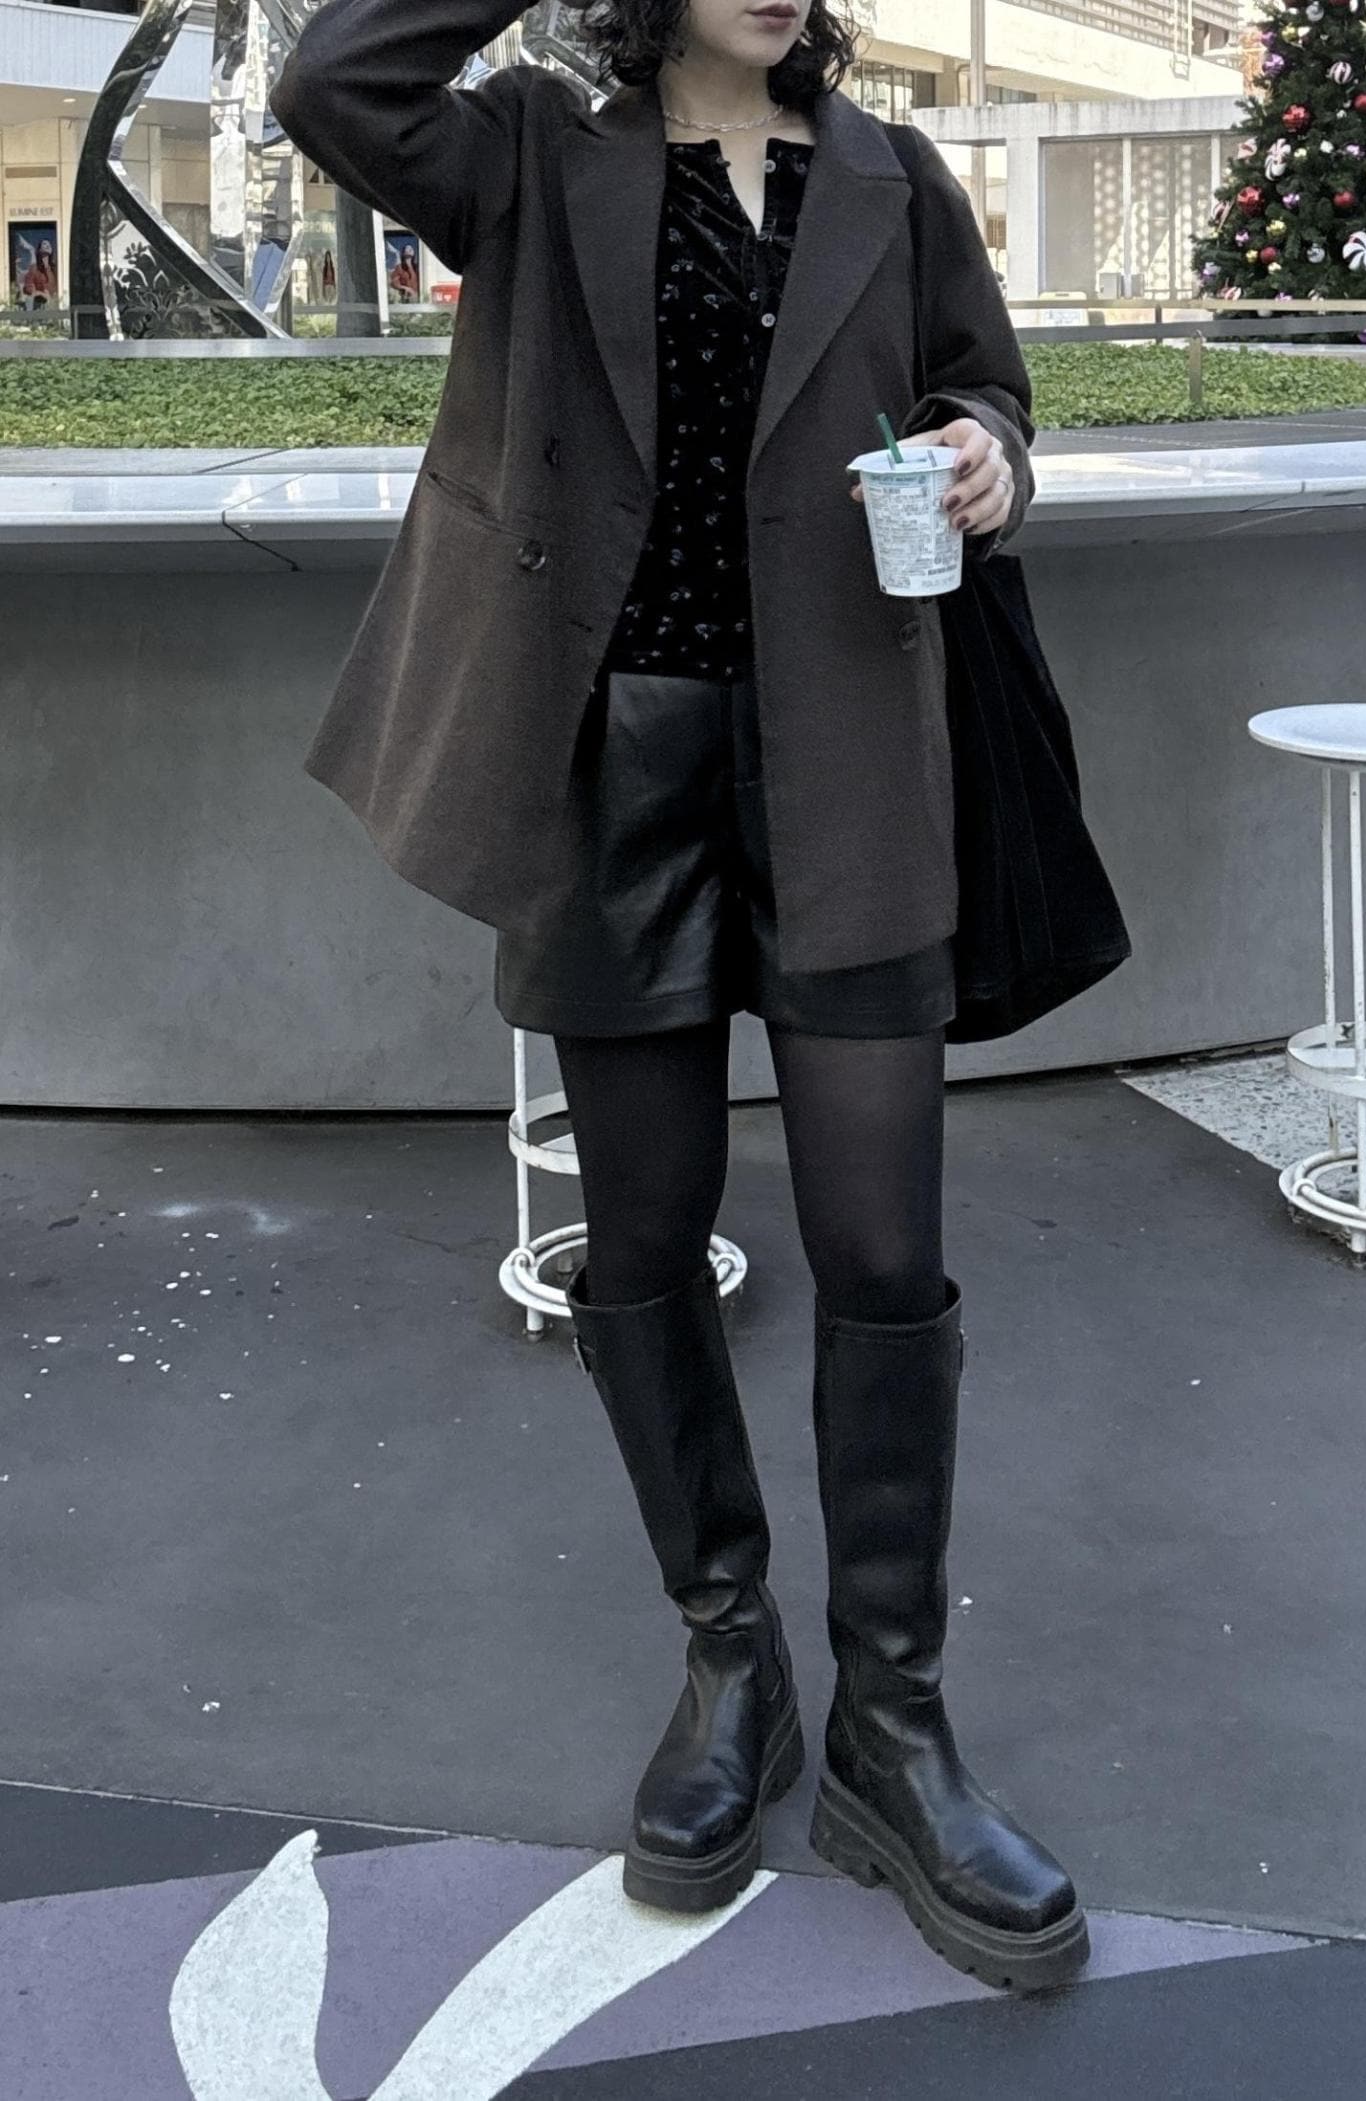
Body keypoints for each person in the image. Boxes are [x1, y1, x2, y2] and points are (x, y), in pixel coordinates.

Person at [270, 0, 1088, 1996]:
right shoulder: (534, 151)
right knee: (639, 1237)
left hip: (854, 753)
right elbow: (331, 86)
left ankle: (894, 1720)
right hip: (612, 763)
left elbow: (987, 388)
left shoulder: (892, 176)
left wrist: (987, 452)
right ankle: (732, 1659)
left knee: (884, 1250)